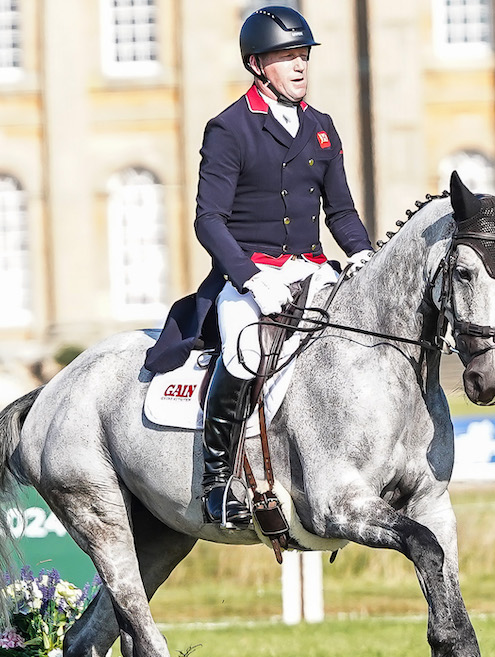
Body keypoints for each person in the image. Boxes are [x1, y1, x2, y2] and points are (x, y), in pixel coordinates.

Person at [143, 5, 374, 529]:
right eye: (287, 57)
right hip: (250, 277)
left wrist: (360, 252)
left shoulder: (322, 127)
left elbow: (339, 210)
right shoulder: (229, 128)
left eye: (303, 56)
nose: (300, 67)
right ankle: (217, 484)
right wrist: (249, 277)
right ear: (256, 65)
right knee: (246, 354)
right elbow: (209, 220)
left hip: (313, 270)